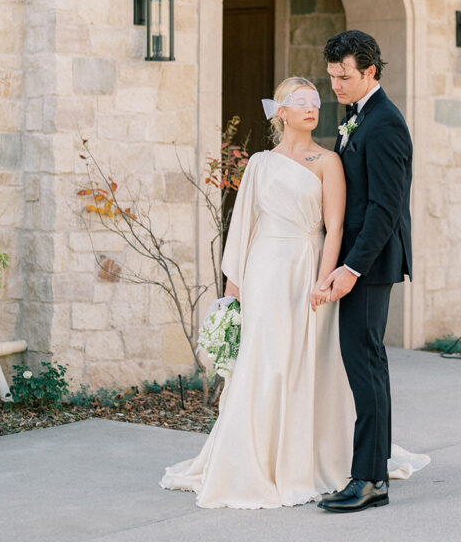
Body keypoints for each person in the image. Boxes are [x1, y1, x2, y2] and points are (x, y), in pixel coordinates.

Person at [160, 77, 354, 508]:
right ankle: (250, 459)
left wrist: (324, 281)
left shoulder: (328, 161)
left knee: (301, 362)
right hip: (265, 269)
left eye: (314, 101)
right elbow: (244, 226)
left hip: (307, 266)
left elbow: (335, 227)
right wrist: (234, 292)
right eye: (299, 102)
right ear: (280, 112)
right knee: (262, 361)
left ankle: (301, 460)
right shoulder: (260, 163)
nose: (310, 107)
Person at [314, 30, 413, 514]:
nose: (336, 85)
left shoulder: (386, 123)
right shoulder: (358, 117)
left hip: (369, 266)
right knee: (367, 364)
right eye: (332, 76)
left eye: (344, 76)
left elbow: (385, 209)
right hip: (357, 262)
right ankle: (373, 471)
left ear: (370, 71)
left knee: (365, 364)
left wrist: (350, 267)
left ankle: (370, 479)